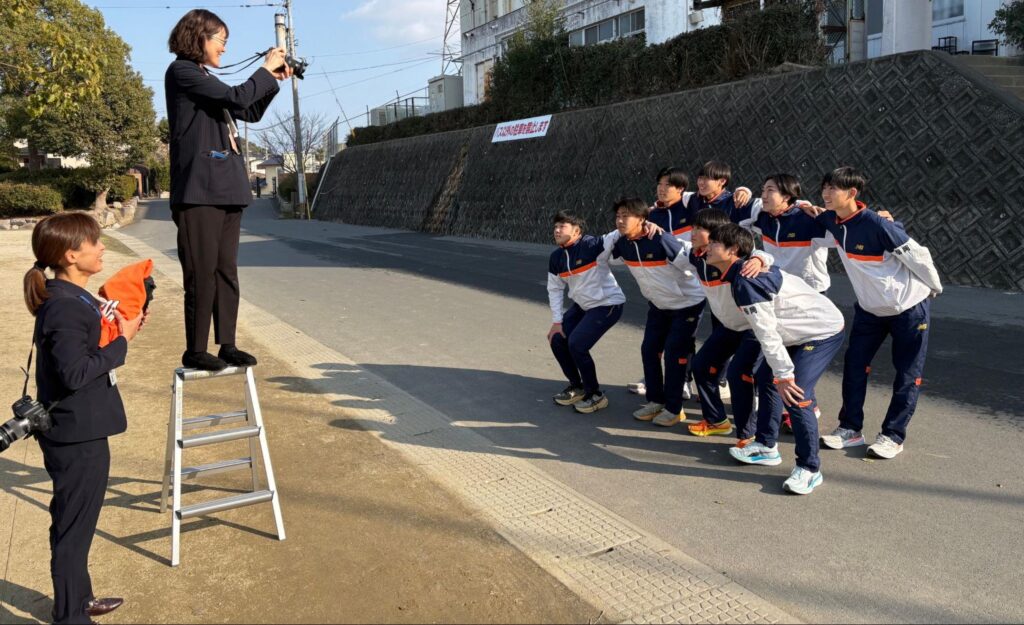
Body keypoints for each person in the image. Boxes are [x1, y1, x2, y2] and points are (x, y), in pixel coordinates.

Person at [24, 212, 146, 624]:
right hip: (76, 436)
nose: (102, 247)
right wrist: (123, 342)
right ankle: (71, 616)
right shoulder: (64, 306)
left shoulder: (73, 297)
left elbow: (83, 353)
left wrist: (123, 329)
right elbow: (75, 373)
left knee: (73, 522)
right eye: (94, 242)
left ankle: (77, 599)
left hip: (77, 429)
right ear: (71, 255)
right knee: (73, 528)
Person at [165, 9, 291, 371]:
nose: (224, 48)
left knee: (225, 272)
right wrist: (264, 69)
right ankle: (195, 349)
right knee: (201, 272)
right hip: (198, 191)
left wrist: (273, 80)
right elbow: (237, 98)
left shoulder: (204, 77)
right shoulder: (182, 72)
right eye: (220, 40)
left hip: (226, 188)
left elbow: (248, 111)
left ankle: (227, 344)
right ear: (199, 36)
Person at [808, 167, 942, 459]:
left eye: (833, 188)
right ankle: (850, 429)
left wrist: (934, 287)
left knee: (907, 374)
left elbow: (918, 255)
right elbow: (803, 210)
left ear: (852, 193)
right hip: (869, 310)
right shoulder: (830, 219)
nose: (826, 193)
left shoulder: (878, 224)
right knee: (854, 365)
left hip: (908, 308)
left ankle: (893, 435)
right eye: (824, 187)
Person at [703, 224, 846, 495]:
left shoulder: (746, 281)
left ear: (733, 250)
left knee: (795, 393)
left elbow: (765, 332)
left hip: (822, 331)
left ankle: (810, 469)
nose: (707, 248)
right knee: (766, 378)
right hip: (796, 332)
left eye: (714, 243)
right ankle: (767, 446)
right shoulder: (743, 271)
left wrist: (784, 374)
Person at [610, 198, 707, 426]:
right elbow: (606, 250)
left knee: (674, 354)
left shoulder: (662, 239)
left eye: (626, 216)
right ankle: (655, 401)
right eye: (618, 216)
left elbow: (693, 262)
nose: (620, 221)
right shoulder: (622, 244)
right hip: (659, 305)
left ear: (642, 219)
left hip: (687, 304)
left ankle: (674, 409)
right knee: (649, 350)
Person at [547, 211, 625, 414]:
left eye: (562, 226)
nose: (557, 230)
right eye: (555, 227)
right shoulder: (556, 257)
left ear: (577, 231)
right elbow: (554, 289)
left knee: (577, 344)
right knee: (557, 338)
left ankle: (596, 395)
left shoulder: (592, 245)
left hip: (607, 304)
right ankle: (577, 386)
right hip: (583, 306)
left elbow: (617, 233)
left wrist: (649, 217)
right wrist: (557, 322)